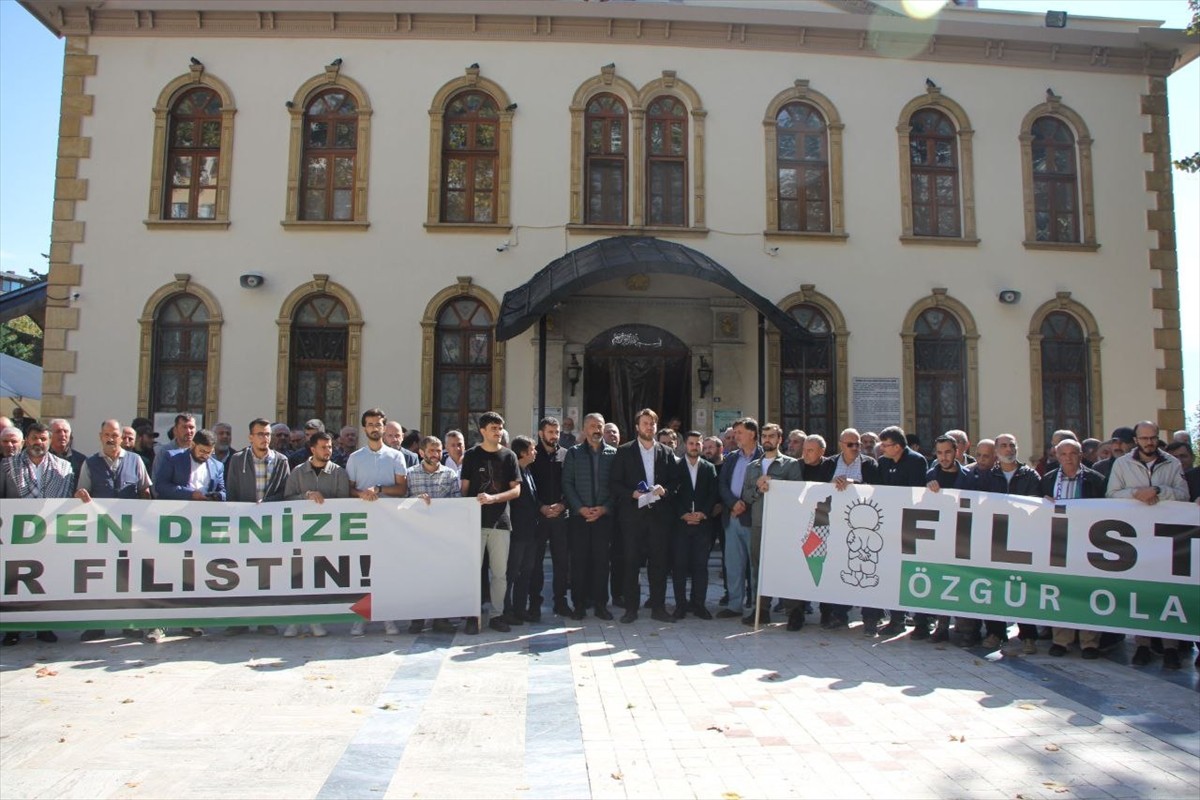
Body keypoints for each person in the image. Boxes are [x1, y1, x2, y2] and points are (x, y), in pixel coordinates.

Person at [1106, 421, 1189, 669]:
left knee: (1168, 590)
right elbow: (1111, 495)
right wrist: (1136, 494)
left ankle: (1170, 646)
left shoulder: (1171, 463)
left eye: (1153, 438)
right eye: (1144, 439)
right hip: (1135, 535)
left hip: (1166, 535)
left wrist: (1157, 491)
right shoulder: (1122, 464)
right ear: (1136, 440)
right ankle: (1142, 644)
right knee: (1140, 590)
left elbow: (1182, 494)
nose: (1149, 442)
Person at [74, 419, 152, 642]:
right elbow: (82, 492)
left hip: (129, 532)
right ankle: (97, 624)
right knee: (100, 579)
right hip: (101, 532)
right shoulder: (90, 464)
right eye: (106, 434)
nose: (111, 439)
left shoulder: (136, 461)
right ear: (100, 436)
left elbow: (145, 491)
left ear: (122, 437)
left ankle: (130, 623)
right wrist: (80, 494)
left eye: (115, 435)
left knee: (128, 578)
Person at [1, 422, 76, 646]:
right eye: (34, 438)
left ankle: (45, 626)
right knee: (14, 584)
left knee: (46, 581)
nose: (38, 443)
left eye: (43, 439)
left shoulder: (63, 467)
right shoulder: (7, 466)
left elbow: (65, 501)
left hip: (48, 536)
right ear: (26, 440)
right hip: (16, 537)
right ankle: (13, 629)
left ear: (49, 441)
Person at [1036, 438, 1107, 659]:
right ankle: (1061, 640)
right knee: (1061, 589)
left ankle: (1089, 642)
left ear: (1081, 455)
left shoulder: (1095, 480)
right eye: (1063, 454)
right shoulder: (1047, 480)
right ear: (1057, 457)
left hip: (1088, 540)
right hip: (1059, 541)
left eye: (1073, 453)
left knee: (1087, 590)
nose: (1068, 458)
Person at [223, 417, 291, 636]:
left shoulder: (281, 460)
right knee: (240, 572)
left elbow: (286, 492)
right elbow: (231, 492)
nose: (265, 438)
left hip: (269, 526)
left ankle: (265, 619)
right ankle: (238, 619)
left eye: (268, 434)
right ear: (251, 437)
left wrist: (269, 504)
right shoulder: (237, 460)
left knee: (265, 573)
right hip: (244, 525)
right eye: (260, 434)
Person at [609, 408, 678, 624]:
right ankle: (631, 609)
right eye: (645, 423)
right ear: (637, 426)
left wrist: (664, 490)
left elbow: (676, 483)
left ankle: (658, 607)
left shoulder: (666, 452)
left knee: (659, 564)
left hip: (659, 518)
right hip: (633, 518)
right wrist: (632, 493)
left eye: (653, 423)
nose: (649, 427)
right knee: (631, 564)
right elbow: (614, 484)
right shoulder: (624, 451)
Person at [345, 409, 408, 636]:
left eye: (378, 424)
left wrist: (380, 489)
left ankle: (387, 617)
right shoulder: (355, 458)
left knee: (386, 570)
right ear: (364, 428)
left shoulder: (395, 456)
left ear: (384, 427)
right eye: (370, 424)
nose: (374, 428)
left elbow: (402, 489)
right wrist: (361, 493)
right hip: (361, 522)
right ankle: (361, 618)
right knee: (363, 571)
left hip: (389, 522)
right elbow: (349, 488)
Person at [283, 431, 350, 637]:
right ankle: (294, 620)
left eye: (330, 447)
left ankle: (316, 620)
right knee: (298, 579)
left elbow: (344, 502)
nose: (328, 451)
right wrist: (306, 496)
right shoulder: (297, 472)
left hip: (327, 536)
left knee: (319, 580)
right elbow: (286, 499)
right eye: (323, 447)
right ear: (312, 449)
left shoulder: (339, 473)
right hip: (301, 536)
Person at [460, 411, 521, 634]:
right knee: (472, 571)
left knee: (499, 573)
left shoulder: (509, 456)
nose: (498, 432)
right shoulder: (471, 455)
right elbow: (464, 489)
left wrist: (494, 498)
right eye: (493, 428)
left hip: (500, 522)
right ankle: (471, 614)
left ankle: (497, 615)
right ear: (483, 431)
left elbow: (516, 489)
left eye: (500, 427)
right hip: (475, 522)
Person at [742, 424, 808, 628]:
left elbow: (797, 493)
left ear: (780, 439)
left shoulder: (790, 465)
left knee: (786, 566)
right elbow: (745, 495)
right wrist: (757, 489)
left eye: (772, 436)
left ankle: (794, 611)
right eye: (764, 436)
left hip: (783, 526)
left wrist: (775, 486)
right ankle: (761, 608)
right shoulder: (752, 467)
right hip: (759, 524)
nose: (767, 439)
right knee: (758, 567)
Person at [867, 426, 928, 637]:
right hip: (888, 525)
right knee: (892, 572)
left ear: (898, 446)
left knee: (914, 571)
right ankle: (896, 619)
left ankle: (922, 622)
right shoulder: (882, 462)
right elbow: (877, 489)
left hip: (911, 524)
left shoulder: (917, 461)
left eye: (885, 445)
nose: (881, 448)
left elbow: (916, 493)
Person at [405, 435, 462, 635]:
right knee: (418, 576)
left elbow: (457, 502)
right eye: (431, 450)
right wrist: (415, 501)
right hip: (417, 535)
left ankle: (441, 617)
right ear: (421, 452)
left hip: (441, 535)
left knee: (441, 576)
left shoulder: (450, 475)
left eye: (438, 451)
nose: (436, 454)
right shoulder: (410, 474)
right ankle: (418, 618)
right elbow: (400, 506)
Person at [562, 413, 617, 621]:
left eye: (600, 426)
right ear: (584, 429)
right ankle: (579, 604)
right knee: (579, 562)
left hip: (603, 517)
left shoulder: (613, 453)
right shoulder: (574, 454)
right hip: (580, 518)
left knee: (602, 562)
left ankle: (601, 604)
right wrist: (580, 508)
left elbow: (616, 486)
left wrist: (604, 508)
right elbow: (567, 483)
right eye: (592, 426)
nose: (596, 430)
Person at [717, 417, 762, 621]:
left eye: (739, 432)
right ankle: (735, 604)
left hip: (753, 518)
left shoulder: (764, 457)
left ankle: (755, 606)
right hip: (732, 517)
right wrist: (732, 503)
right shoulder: (732, 458)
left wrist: (744, 503)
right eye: (734, 433)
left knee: (755, 566)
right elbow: (722, 485)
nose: (735, 436)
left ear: (752, 434)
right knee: (733, 564)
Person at [671, 430, 719, 620]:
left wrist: (703, 513)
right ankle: (680, 605)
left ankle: (698, 604)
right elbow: (671, 493)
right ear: (685, 445)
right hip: (681, 525)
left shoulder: (709, 468)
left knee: (701, 566)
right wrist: (682, 514)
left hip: (702, 525)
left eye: (698, 444)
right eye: (691, 443)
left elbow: (713, 493)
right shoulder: (675, 467)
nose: (694, 447)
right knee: (679, 566)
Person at [527, 417, 570, 623]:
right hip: (538, 517)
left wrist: (562, 505)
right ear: (541, 433)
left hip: (561, 516)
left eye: (557, 432)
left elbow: (571, 484)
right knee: (535, 563)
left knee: (562, 561)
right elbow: (527, 487)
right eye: (550, 432)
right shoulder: (532, 455)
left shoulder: (566, 455)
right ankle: (534, 604)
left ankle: (560, 602)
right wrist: (541, 507)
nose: (554, 436)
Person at [505, 436, 542, 627]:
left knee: (526, 572)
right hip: (517, 532)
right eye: (532, 449)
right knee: (512, 573)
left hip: (530, 532)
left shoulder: (528, 471)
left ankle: (520, 609)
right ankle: (507, 610)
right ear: (523, 453)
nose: (535, 452)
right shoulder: (514, 472)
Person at [47, 417, 86, 486]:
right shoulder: (42, 458)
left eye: (65, 431)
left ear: (70, 435)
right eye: (58, 431)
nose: (62, 435)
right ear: (50, 435)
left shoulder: (81, 460)